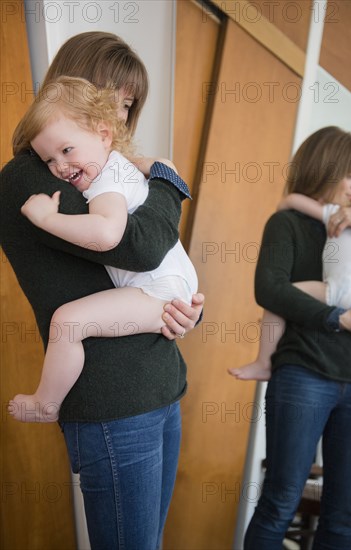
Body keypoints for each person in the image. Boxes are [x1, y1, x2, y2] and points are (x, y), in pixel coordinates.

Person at [0, 31, 204, 550]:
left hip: (160, 387)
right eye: (112, 93)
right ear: (71, 86)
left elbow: (155, 262)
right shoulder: (32, 177)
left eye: (128, 104)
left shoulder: (105, 172)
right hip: (113, 402)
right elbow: (138, 245)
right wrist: (168, 181)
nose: (117, 111)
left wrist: (183, 311)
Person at [8, 76, 198, 423]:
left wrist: (49, 219)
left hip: (158, 291)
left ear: (103, 134)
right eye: (49, 160)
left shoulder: (108, 178)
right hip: (167, 289)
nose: (61, 168)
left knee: (67, 323)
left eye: (67, 151)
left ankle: (45, 404)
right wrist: (166, 175)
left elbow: (109, 234)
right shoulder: (113, 168)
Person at [242, 126, 351, 550]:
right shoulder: (288, 224)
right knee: (280, 502)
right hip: (304, 373)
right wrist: (336, 318)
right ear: (326, 168)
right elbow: (270, 289)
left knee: (344, 517)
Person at [229, 188, 351, 381]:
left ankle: (263, 362)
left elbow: (292, 200)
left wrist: (283, 205)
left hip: (335, 289)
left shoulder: (340, 216)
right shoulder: (349, 218)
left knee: (280, 298)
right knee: (278, 295)